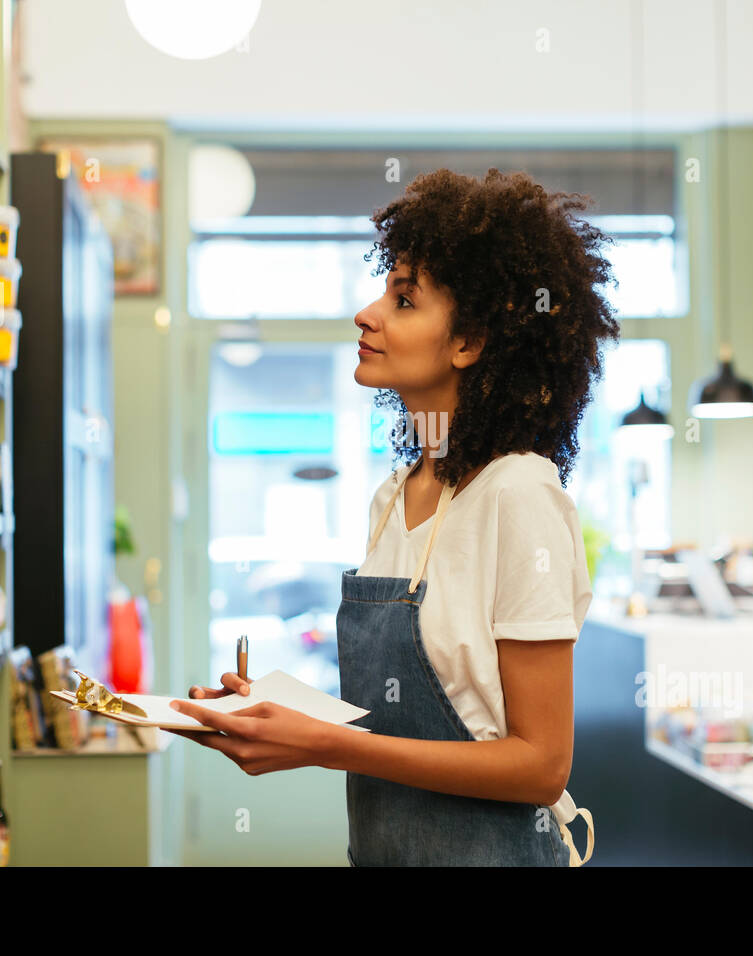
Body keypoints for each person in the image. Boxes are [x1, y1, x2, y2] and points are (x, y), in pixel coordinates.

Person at [168, 168, 618, 866]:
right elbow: (408, 717)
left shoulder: (517, 494)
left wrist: (324, 745)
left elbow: (540, 766)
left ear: (468, 343)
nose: (367, 314)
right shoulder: (393, 498)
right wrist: (280, 714)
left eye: (403, 299)